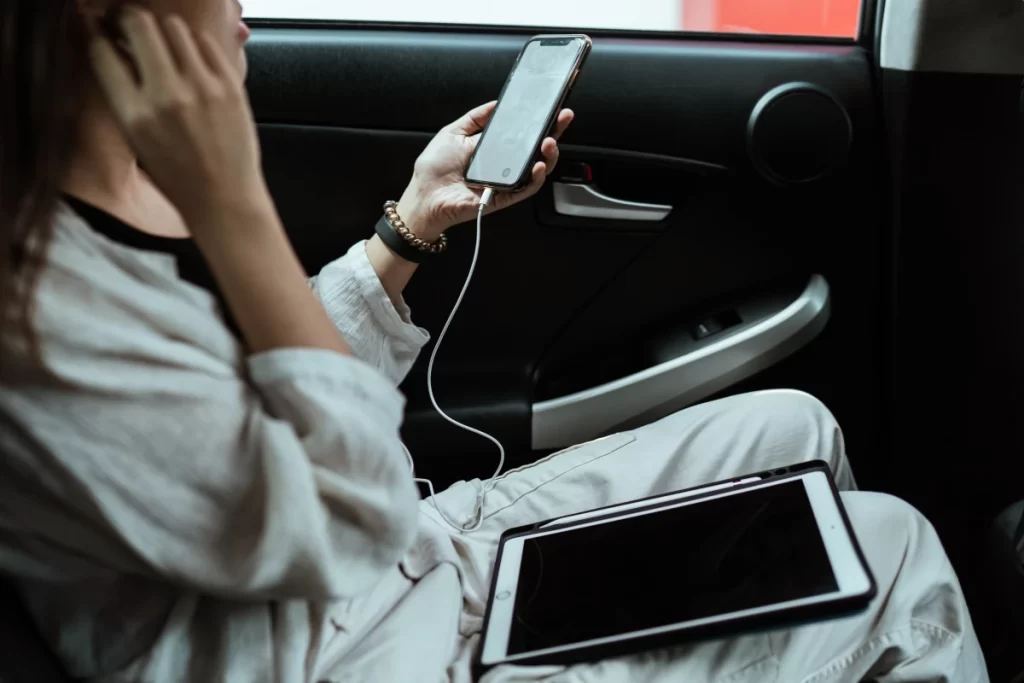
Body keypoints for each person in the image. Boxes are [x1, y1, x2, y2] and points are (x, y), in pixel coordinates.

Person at [0, 1, 989, 682]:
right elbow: (343, 515)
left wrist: (411, 226)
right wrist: (233, 198)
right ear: (107, 17)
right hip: (366, 650)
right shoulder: (49, 317)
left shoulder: (105, 210)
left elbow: (279, 398)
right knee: (891, 548)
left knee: (792, 422)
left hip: (414, 563)